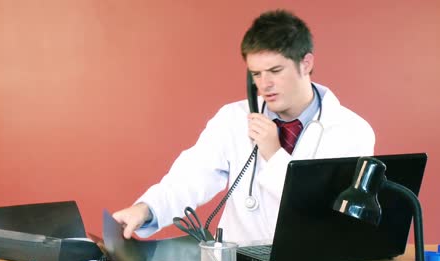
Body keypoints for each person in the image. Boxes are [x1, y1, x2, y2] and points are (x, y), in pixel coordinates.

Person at [113, 9, 375, 245]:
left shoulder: (351, 131)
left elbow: (325, 209)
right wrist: (146, 209)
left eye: (275, 70)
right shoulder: (233, 118)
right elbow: (191, 176)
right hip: (237, 258)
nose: (265, 85)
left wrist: (274, 154)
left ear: (306, 63)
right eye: (256, 74)